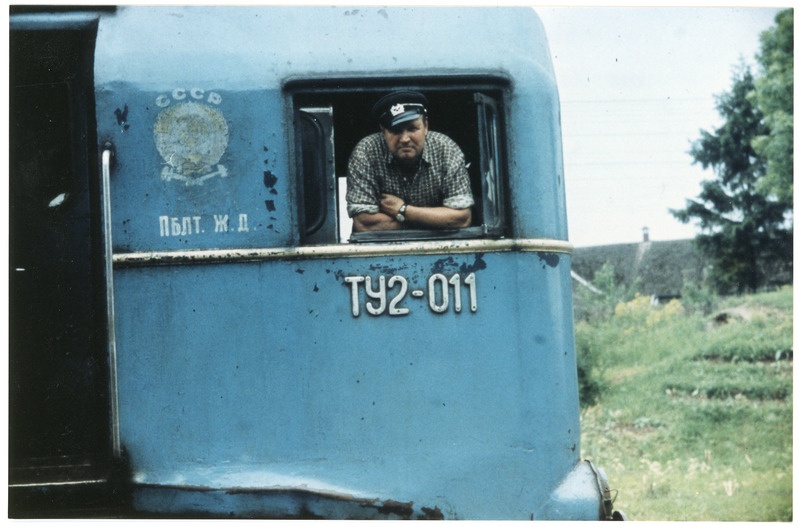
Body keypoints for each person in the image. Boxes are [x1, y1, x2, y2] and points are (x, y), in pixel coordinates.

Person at [345, 91, 474, 232]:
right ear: (383, 131)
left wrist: (402, 210)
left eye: (412, 128)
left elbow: (462, 218)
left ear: (426, 126)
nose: (405, 139)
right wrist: (435, 220)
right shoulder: (366, 152)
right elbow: (364, 224)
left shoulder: (446, 149)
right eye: (396, 130)